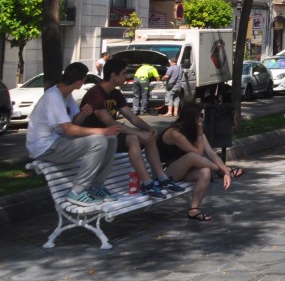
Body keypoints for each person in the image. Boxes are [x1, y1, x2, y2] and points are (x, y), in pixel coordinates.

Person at [81, 59, 185, 198]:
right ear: (113, 76)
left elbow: (133, 118)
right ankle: (147, 183)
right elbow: (111, 123)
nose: (127, 77)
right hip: (96, 138)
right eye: (123, 73)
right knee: (133, 138)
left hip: (111, 136)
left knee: (146, 136)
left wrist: (148, 129)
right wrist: (139, 133)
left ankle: (162, 179)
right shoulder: (96, 94)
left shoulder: (115, 93)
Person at [26, 62, 122, 207]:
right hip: (45, 148)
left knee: (111, 139)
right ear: (79, 82)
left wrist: (83, 114)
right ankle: (77, 191)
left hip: (59, 142)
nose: (84, 83)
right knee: (99, 141)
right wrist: (103, 131)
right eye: (84, 80)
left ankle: (96, 186)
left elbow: (75, 123)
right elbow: (69, 130)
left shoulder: (67, 95)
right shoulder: (53, 96)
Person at [159, 104, 242, 221]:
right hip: (164, 173)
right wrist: (224, 170)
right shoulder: (174, 133)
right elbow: (197, 153)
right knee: (192, 156)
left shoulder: (196, 131)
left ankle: (194, 210)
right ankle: (223, 171)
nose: (201, 120)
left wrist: (224, 169)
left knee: (205, 172)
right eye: (199, 117)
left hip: (181, 170)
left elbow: (210, 153)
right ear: (190, 118)